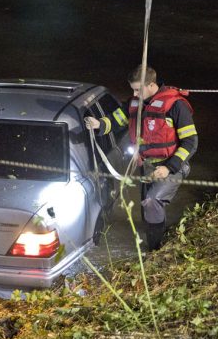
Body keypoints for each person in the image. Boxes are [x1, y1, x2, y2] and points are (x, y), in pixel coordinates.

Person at [85, 65, 198, 250]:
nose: (134, 93)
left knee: (152, 201)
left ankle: (156, 249)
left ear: (151, 85)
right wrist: (99, 124)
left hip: (172, 166)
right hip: (146, 166)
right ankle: (156, 238)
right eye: (133, 90)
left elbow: (191, 142)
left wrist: (169, 167)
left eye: (138, 89)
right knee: (147, 210)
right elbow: (116, 121)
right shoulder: (134, 103)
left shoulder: (176, 106)